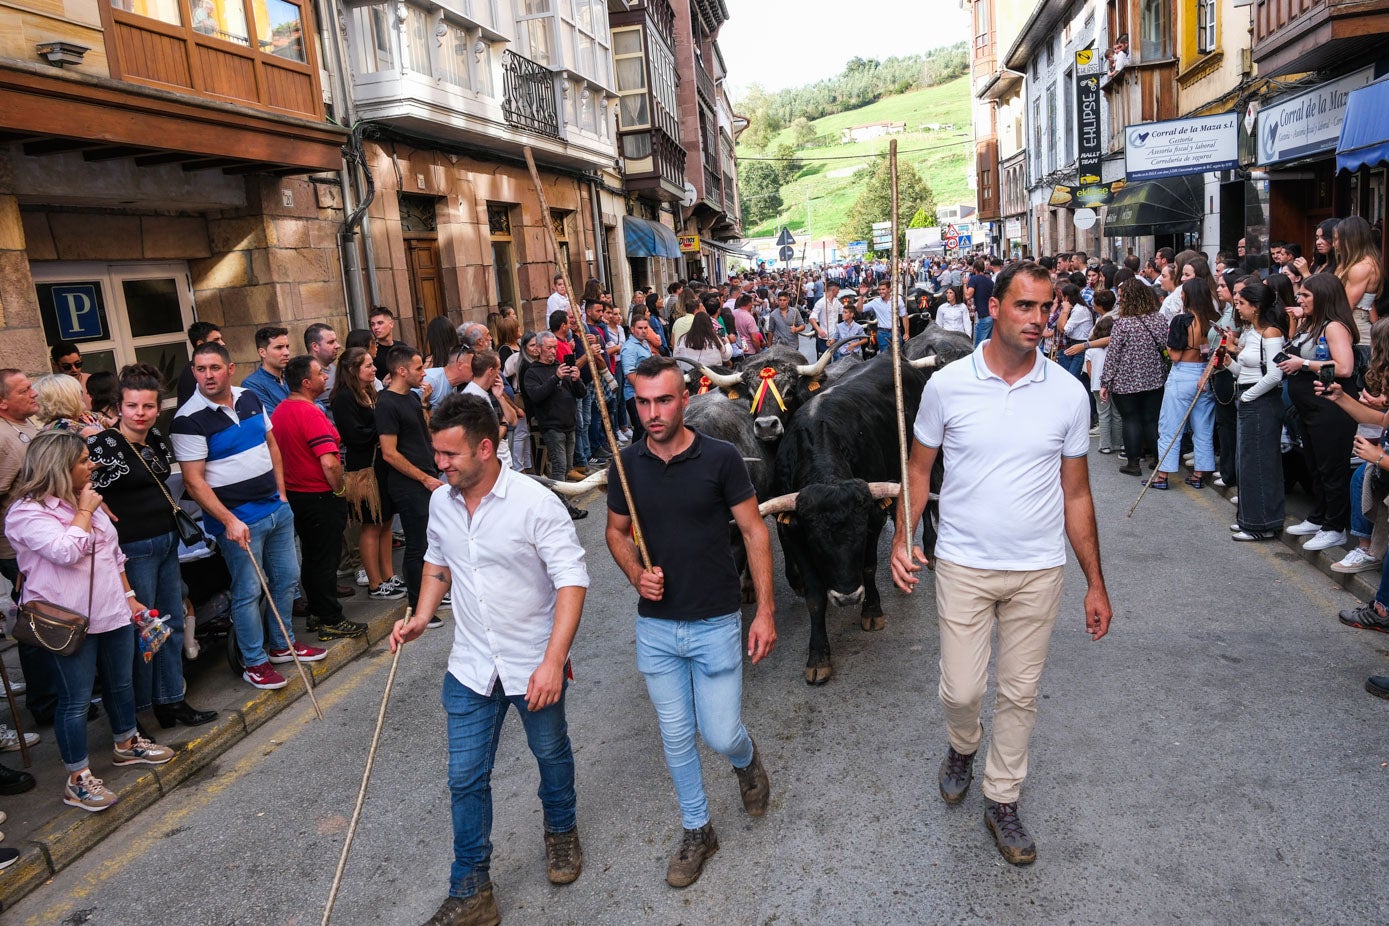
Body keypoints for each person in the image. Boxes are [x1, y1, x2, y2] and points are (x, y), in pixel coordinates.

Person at [890, 260, 1112, 866]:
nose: (1041, 319)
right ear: (995, 309)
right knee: (963, 691)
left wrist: (1096, 582)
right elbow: (918, 469)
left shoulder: (1068, 392)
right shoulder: (947, 386)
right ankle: (963, 743)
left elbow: (1077, 493)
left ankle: (1002, 797)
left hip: (1039, 569)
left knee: (1020, 693)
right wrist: (902, 539)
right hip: (961, 561)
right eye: (1026, 307)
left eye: (1049, 308)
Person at [390, 394, 588, 926]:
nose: (440, 464)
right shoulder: (440, 502)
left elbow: (572, 581)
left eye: (450, 454)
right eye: (436, 453)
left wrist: (553, 660)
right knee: (465, 778)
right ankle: (472, 889)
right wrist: (419, 617)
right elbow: (436, 562)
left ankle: (562, 831)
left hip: (533, 663)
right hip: (471, 665)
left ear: (485, 447)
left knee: (550, 753)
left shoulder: (534, 502)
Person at [605, 355, 776, 889]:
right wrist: (636, 573)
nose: (653, 413)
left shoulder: (722, 458)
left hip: (714, 620)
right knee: (676, 737)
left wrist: (766, 611)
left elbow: (754, 533)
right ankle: (698, 829)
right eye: (643, 402)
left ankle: (746, 761)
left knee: (721, 733)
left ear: (684, 400)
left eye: (663, 400)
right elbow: (614, 532)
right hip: (656, 626)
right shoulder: (625, 465)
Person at [7, 431, 177, 811]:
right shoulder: (26, 513)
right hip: (67, 620)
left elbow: (113, 555)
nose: (93, 464)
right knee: (76, 700)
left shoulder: (90, 499)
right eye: (84, 460)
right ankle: (77, 778)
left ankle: (127, 742)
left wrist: (131, 598)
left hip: (111, 608)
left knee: (121, 683)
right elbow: (65, 552)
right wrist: (84, 511)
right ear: (59, 468)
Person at [172, 341, 326, 690]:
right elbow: (194, 483)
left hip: (275, 508)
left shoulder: (249, 398)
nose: (207, 375)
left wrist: (283, 494)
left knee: (287, 580)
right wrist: (228, 520)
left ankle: (282, 645)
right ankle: (254, 662)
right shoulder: (187, 420)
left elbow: (271, 445)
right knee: (248, 591)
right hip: (238, 521)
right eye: (200, 369)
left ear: (230, 369)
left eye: (214, 368)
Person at [86, 363, 217, 729]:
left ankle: (171, 701)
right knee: (140, 632)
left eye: (147, 407)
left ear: (157, 408)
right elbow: (74, 483)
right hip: (131, 551)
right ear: (119, 406)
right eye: (132, 406)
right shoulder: (102, 443)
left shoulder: (156, 438)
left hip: (166, 544)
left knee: (168, 626)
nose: (140, 414)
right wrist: (95, 504)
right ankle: (135, 714)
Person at [272, 355, 366, 641]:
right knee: (325, 558)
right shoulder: (310, 413)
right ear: (306, 382)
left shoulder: (280, 411)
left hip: (297, 495)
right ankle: (330, 619)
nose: (326, 377)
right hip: (319, 494)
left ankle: (316, 611)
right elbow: (329, 462)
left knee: (312, 557)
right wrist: (339, 490)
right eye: (320, 373)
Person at [1275, 273, 1359, 552]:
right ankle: (1320, 517)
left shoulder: (1334, 327)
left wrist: (1304, 364)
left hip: (1330, 409)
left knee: (1331, 467)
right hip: (1309, 409)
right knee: (1315, 465)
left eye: (1306, 295)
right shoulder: (1311, 323)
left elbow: (1344, 368)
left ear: (1322, 297)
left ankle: (1335, 527)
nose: (1299, 299)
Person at [0, 369, 57, 743]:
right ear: (3, 401)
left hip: (42, 539)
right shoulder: (2, 438)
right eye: (24, 390)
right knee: (37, 620)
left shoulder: (26, 423)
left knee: (52, 616)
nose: (33, 393)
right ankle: (45, 703)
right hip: (17, 547)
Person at [329, 347, 404, 601]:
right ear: (352, 370)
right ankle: (374, 582)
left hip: (380, 466)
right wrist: (383, 428)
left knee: (385, 524)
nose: (374, 369)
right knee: (371, 526)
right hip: (363, 468)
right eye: (368, 366)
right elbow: (355, 435)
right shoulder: (343, 398)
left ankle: (388, 575)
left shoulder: (370, 391)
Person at [376, 345, 445, 621]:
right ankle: (418, 609)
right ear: (402, 371)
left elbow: (421, 434)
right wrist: (425, 478)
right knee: (417, 545)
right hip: (410, 485)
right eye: (418, 368)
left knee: (430, 542)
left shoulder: (414, 399)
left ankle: (432, 596)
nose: (424, 372)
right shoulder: (386, 404)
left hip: (427, 477)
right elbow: (389, 452)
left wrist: (426, 405)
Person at [1225, 281, 1289, 541]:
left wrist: (1248, 397)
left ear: (1256, 306)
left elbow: (1275, 375)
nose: (1237, 308)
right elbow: (1245, 371)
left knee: (1260, 462)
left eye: (1241, 303)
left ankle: (1262, 525)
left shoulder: (1272, 333)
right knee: (1247, 462)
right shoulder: (1251, 332)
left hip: (1261, 402)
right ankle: (1249, 519)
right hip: (1249, 397)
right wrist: (1228, 362)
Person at [1152, 278, 1219, 489]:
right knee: (1203, 428)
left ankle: (1163, 475)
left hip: (1183, 375)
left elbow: (1175, 356)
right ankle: (1199, 474)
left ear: (1186, 296)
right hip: (1205, 374)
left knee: (1170, 426)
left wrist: (1166, 346)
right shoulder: (1214, 320)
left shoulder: (1182, 321)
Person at [1099, 280, 1169, 476]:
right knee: (1151, 420)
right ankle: (1159, 461)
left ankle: (1133, 463)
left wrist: (1105, 382)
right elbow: (1165, 345)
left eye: (1122, 296)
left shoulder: (1122, 324)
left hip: (1126, 381)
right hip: (1154, 379)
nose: (1119, 299)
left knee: (1131, 420)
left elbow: (1113, 356)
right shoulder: (1160, 319)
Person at [525, 333, 588, 500]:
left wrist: (577, 380)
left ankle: (564, 502)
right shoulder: (532, 372)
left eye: (555, 347)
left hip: (569, 425)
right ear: (538, 349)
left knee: (567, 467)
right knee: (559, 468)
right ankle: (562, 505)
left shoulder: (560, 366)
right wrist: (555, 378)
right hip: (552, 427)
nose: (553, 351)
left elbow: (581, 393)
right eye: (549, 348)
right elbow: (536, 395)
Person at [462, 350, 517, 469]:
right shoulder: (471, 398)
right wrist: (503, 424)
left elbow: (513, 420)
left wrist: (500, 397)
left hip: (504, 461)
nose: (500, 373)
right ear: (491, 371)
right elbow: (488, 440)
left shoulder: (492, 391)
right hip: (490, 466)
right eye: (499, 369)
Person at [1334, 215, 1384, 342]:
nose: (1335, 244)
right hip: (1357, 322)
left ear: (1349, 239)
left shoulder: (1361, 267)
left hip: (1353, 324)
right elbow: (1368, 301)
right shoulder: (1364, 263)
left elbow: (1346, 305)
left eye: (1337, 239)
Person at [1086, 315, 1122, 453]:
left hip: (1096, 384)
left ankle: (1105, 445)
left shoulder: (1091, 350)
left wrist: (1095, 381)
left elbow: (1089, 370)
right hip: (1115, 383)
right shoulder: (1116, 347)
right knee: (1117, 413)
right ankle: (1118, 443)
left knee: (1104, 414)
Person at [242, 325, 291, 416]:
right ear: (262, 352)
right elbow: (273, 419)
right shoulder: (252, 384)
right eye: (279, 347)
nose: (286, 352)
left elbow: (319, 403)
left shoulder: (294, 374)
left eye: (287, 347)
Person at [33, 374, 103, 437]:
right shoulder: (63, 425)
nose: (82, 395)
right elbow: (107, 439)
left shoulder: (84, 416)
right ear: (68, 399)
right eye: (78, 392)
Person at [620, 316, 654, 440]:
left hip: (645, 394)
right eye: (640, 328)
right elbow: (630, 375)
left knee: (644, 431)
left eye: (646, 328)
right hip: (635, 395)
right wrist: (644, 392)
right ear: (632, 329)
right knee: (641, 430)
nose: (644, 331)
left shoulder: (644, 343)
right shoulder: (629, 348)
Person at [178, 321, 223, 406]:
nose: (222, 343)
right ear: (200, 344)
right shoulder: (189, 373)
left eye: (215, 368)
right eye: (216, 340)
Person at [865, 281, 906, 354]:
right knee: (885, 356)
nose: (881, 291)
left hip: (896, 331)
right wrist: (861, 296)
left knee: (899, 355)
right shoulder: (875, 302)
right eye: (879, 289)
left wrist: (907, 332)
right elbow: (860, 309)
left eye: (883, 289)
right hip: (882, 333)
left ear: (889, 289)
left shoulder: (898, 299)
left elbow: (904, 316)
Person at [304, 323, 342, 397]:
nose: (338, 346)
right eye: (331, 342)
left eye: (336, 341)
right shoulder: (305, 374)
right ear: (315, 346)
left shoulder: (334, 368)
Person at [964, 259, 994, 345]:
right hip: (991, 316)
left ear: (974, 269)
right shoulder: (990, 281)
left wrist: (964, 284)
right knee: (987, 345)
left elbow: (967, 296)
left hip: (983, 316)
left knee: (978, 347)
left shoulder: (974, 279)